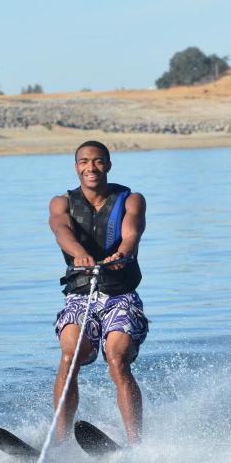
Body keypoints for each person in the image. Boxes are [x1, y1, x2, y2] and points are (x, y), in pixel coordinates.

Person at [49, 140, 148, 445]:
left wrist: (123, 252)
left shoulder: (131, 199)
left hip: (121, 296)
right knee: (70, 353)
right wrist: (79, 253)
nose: (90, 168)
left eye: (97, 161)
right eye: (83, 162)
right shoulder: (61, 202)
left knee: (117, 357)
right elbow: (61, 230)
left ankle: (135, 445)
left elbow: (132, 231)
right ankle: (61, 442)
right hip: (81, 296)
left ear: (108, 164)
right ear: (76, 166)